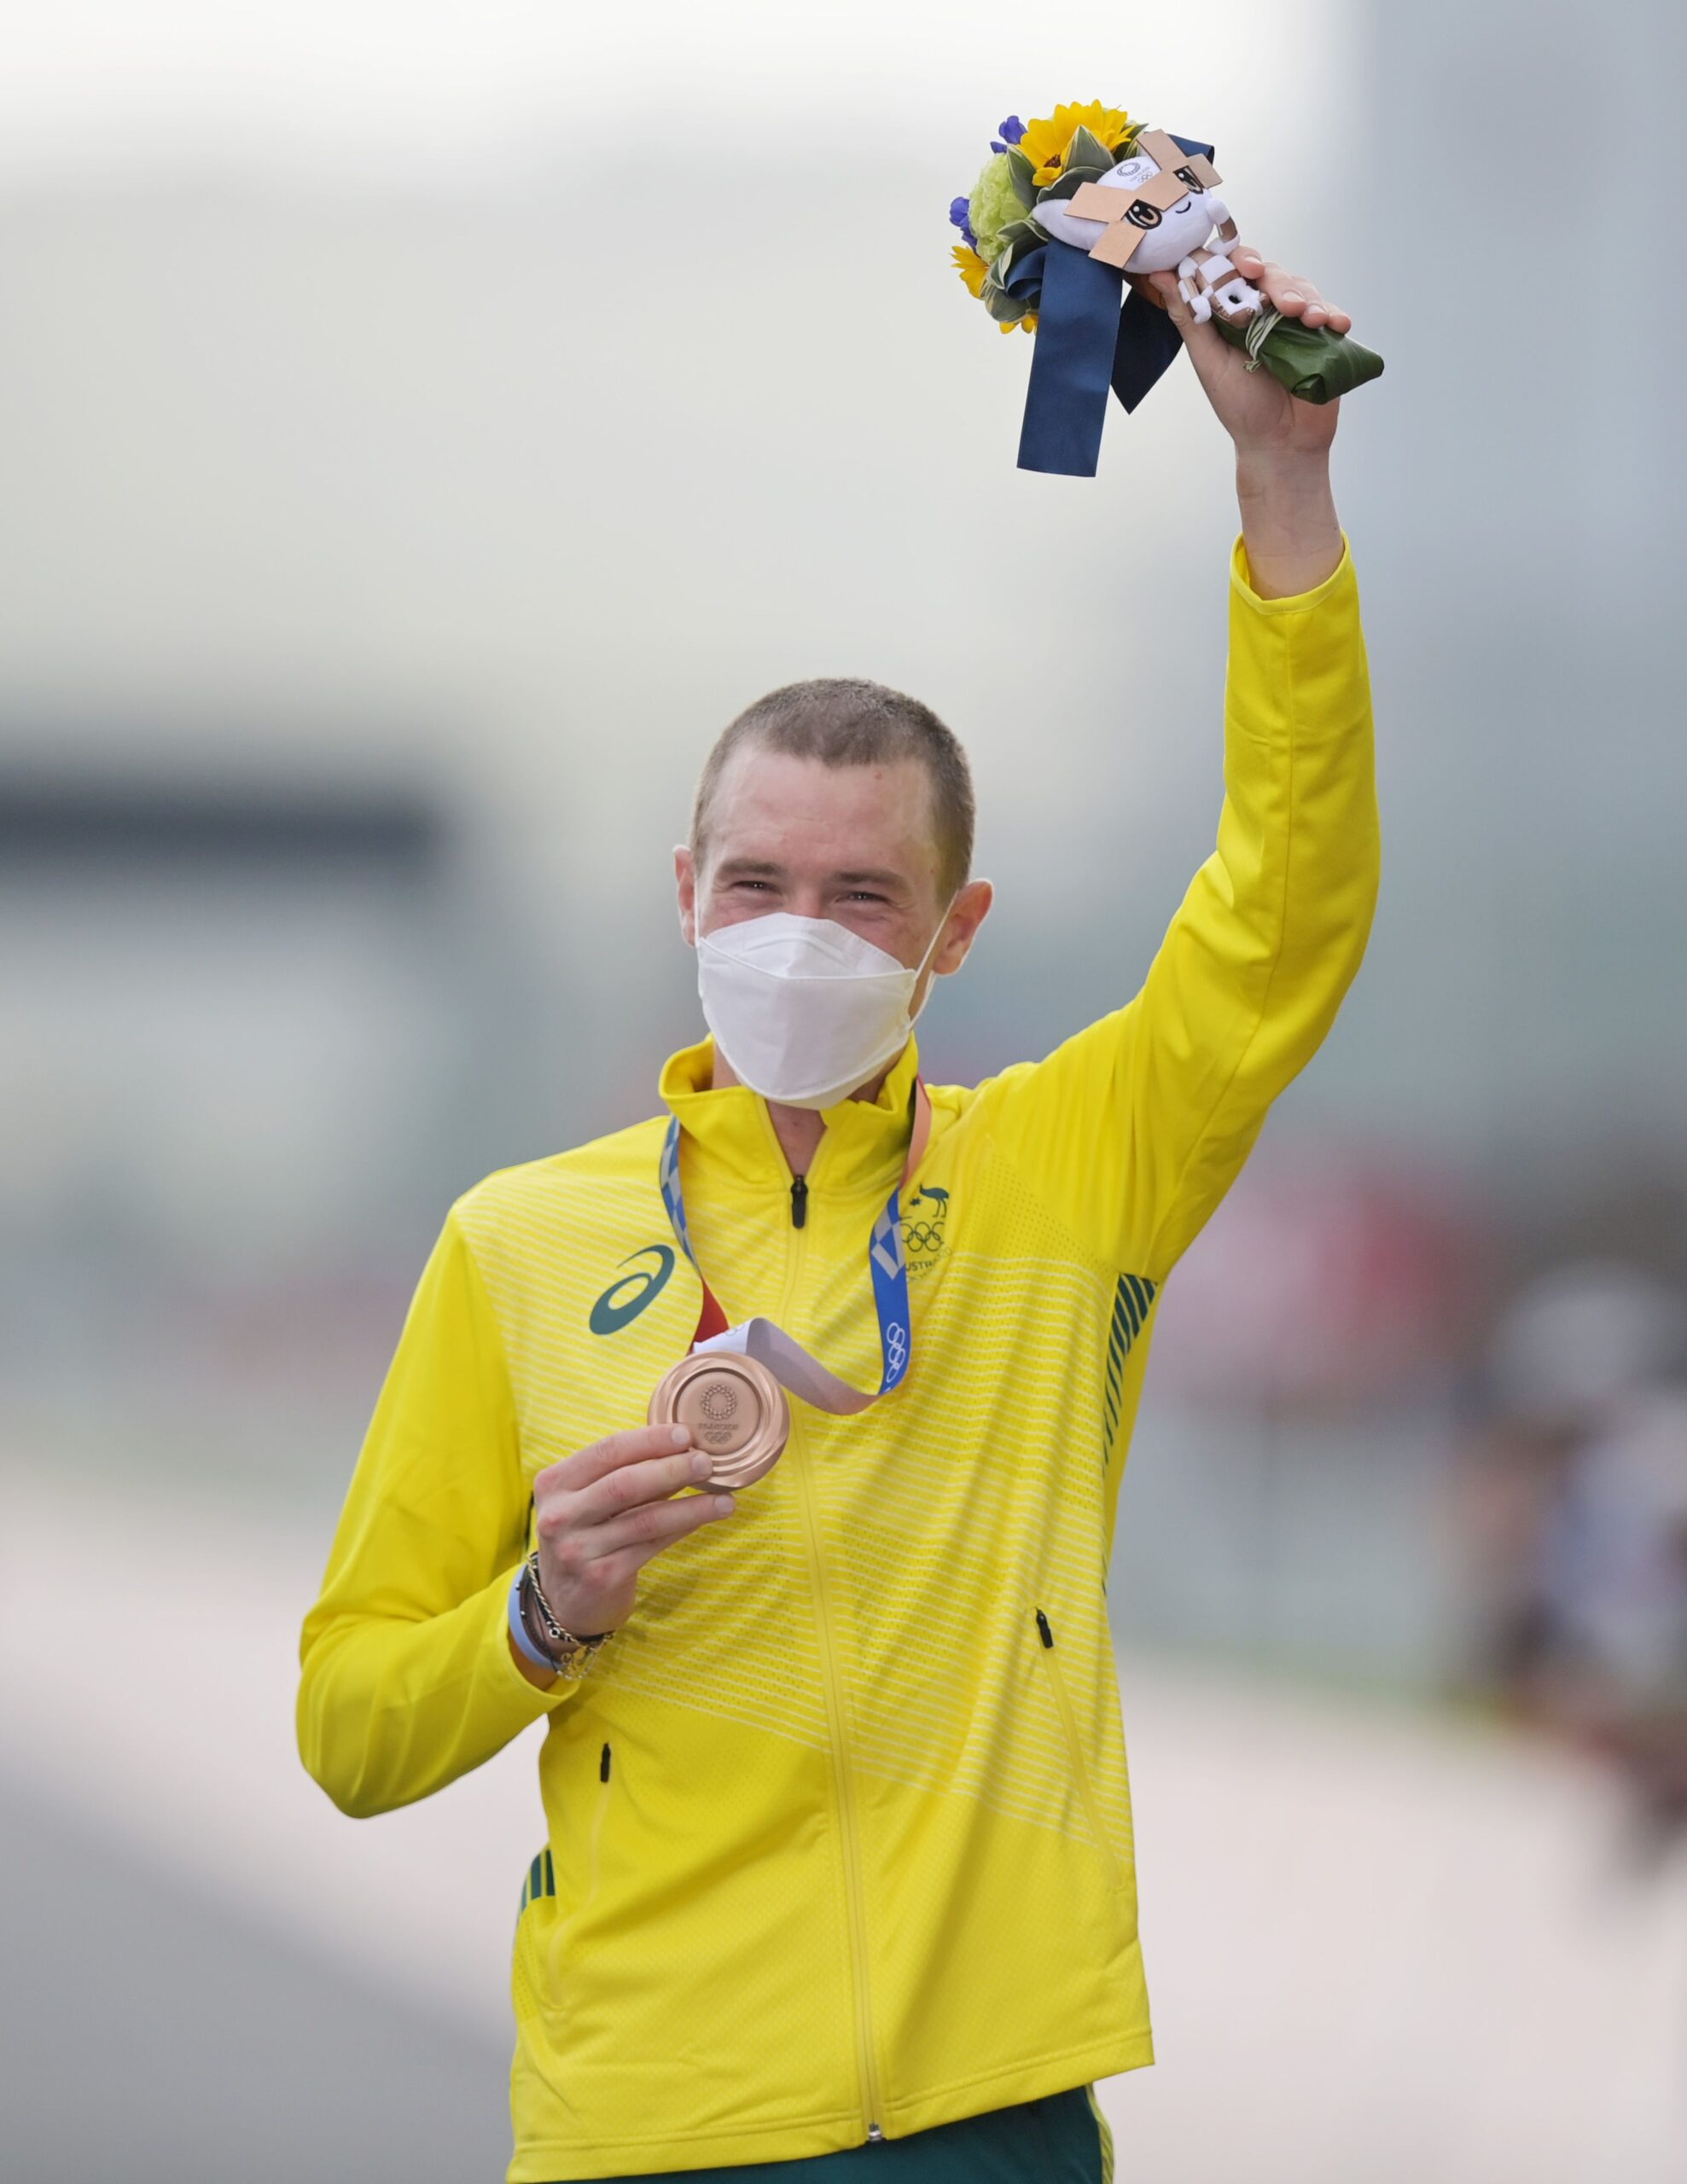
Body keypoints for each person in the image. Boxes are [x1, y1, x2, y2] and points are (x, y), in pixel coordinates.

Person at [298, 248, 1380, 2184]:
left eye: (862, 896)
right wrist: (542, 1614)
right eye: (756, 880)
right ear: (684, 892)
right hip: (652, 2115)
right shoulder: (514, 1241)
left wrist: (1280, 489)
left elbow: (1281, 914)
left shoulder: (1075, 1164)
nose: (797, 930)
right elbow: (352, 1723)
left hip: (987, 2109)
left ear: (955, 931)